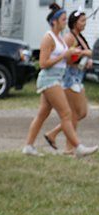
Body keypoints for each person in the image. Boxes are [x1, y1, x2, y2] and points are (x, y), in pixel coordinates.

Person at [23, 3, 97, 157]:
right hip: (49, 79)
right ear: (54, 22)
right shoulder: (48, 38)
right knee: (66, 114)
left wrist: (74, 53)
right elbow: (43, 64)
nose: (65, 22)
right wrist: (65, 55)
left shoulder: (60, 39)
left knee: (42, 114)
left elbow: (66, 56)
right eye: (63, 20)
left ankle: (28, 146)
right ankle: (78, 147)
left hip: (56, 78)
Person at [43, 10, 92, 153]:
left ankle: (53, 133)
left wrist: (84, 57)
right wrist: (83, 55)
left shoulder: (79, 36)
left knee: (81, 113)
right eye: (82, 21)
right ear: (74, 22)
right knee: (74, 114)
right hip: (70, 78)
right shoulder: (70, 37)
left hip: (78, 76)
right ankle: (69, 148)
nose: (84, 23)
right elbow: (67, 59)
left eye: (85, 20)